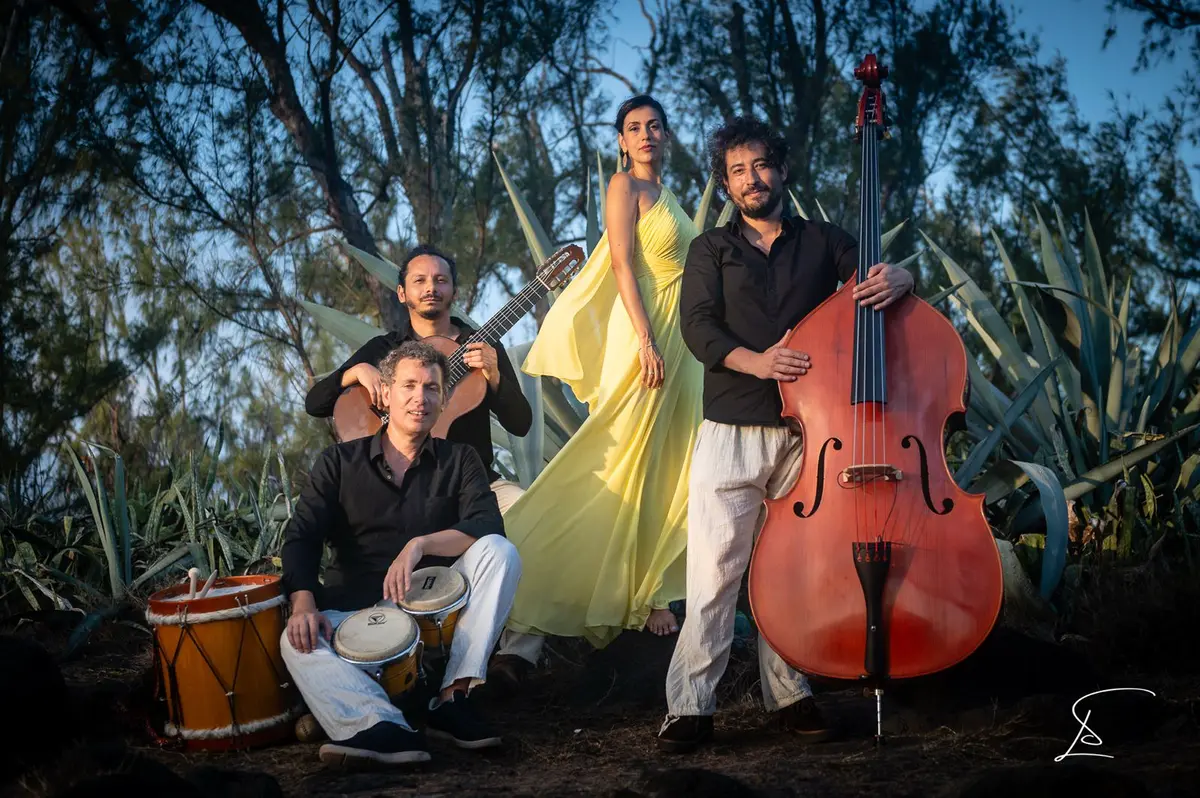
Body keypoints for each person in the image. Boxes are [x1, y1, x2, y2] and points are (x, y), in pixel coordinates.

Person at [657, 115, 915, 753]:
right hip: (731, 428)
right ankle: (690, 707)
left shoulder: (826, 240)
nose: (752, 179)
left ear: (783, 170)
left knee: (791, 571)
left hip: (811, 435)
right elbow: (699, 329)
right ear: (726, 184)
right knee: (715, 572)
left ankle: (790, 695)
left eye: (761, 165)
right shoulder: (710, 251)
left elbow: (877, 282)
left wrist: (905, 277)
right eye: (738, 171)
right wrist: (760, 361)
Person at [488, 94, 704, 688]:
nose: (646, 134)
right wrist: (645, 340)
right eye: (634, 128)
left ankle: (651, 586)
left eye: (655, 125)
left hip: (683, 346)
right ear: (621, 141)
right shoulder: (623, 187)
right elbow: (622, 266)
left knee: (670, 467)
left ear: (668, 136)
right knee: (628, 460)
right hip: (647, 339)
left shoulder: (674, 198)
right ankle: (631, 593)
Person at [280, 341, 523, 767]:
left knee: (500, 552)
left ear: (443, 399)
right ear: (386, 394)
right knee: (294, 640)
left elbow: (487, 525)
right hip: (355, 613)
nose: (420, 398)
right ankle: (381, 727)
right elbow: (302, 536)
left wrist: (421, 545)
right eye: (409, 385)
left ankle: (453, 695)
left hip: (431, 612)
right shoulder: (338, 462)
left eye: (431, 388)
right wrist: (302, 600)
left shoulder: (460, 459)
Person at [304, 244, 532, 514]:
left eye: (441, 280)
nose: (430, 288)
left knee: (525, 509)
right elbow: (315, 403)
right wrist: (354, 372)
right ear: (402, 293)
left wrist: (493, 376)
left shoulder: (481, 347)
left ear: (454, 292)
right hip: (401, 489)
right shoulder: (384, 349)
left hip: (474, 483)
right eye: (419, 280)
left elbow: (521, 424)